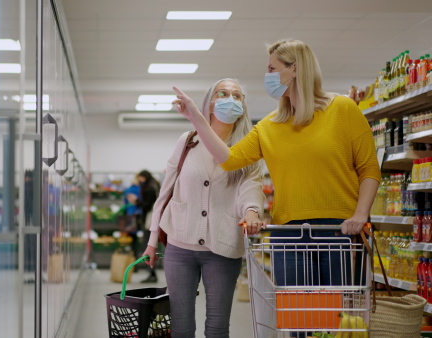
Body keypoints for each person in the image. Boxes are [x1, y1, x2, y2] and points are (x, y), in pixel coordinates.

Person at [172, 39, 381, 290]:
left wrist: (360, 215)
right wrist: (197, 118)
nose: (267, 75)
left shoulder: (343, 109)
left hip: (339, 231)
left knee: (341, 319)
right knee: (299, 321)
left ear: (295, 69)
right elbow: (228, 160)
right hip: (288, 235)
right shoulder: (270, 126)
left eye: (272, 68)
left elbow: (369, 168)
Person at [143, 78, 265, 337]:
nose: (230, 99)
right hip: (179, 245)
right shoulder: (188, 140)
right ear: (209, 103)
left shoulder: (247, 147)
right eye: (223, 93)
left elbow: (250, 186)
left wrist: (252, 210)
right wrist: (153, 240)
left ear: (243, 105)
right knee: (181, 326)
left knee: (218, 328)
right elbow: (166, 191)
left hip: (223, 248)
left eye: (237, 95)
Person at [126, 170, 160, 283]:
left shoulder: (150, 188)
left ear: (143, 177)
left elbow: (147, 205)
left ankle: (151, 273)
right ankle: (151, 272)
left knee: (148, 246)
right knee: (150, 246)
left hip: (150, 222)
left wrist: (136, 201)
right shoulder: (154, 186)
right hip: (152, 220)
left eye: (139, 178)